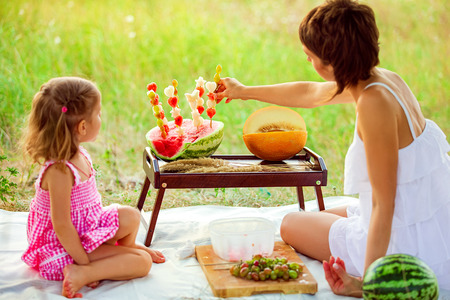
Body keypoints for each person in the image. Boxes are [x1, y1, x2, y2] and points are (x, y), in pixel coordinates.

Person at [215, 0, 450, 296]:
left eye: (310, 57)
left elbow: (383, 204)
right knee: (324, 211)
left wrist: (367, 284)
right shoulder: (384, 79)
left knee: (290, 224)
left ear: (332, 63)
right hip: (430, 217)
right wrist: (243, 92)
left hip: (403, 242)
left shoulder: (373, 105)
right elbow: (311, 92)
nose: (309, 63)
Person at [21, 77, 166, 298]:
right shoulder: (59, 171)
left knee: (132, 216)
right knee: (142, 263)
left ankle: (119, 254)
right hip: (64, 246)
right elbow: (61, 226)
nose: (101, 117)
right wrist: (85, 262)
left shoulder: (78, 152)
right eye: (98, 114)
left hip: (86, 230)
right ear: (82, 127)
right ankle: (84, 273)